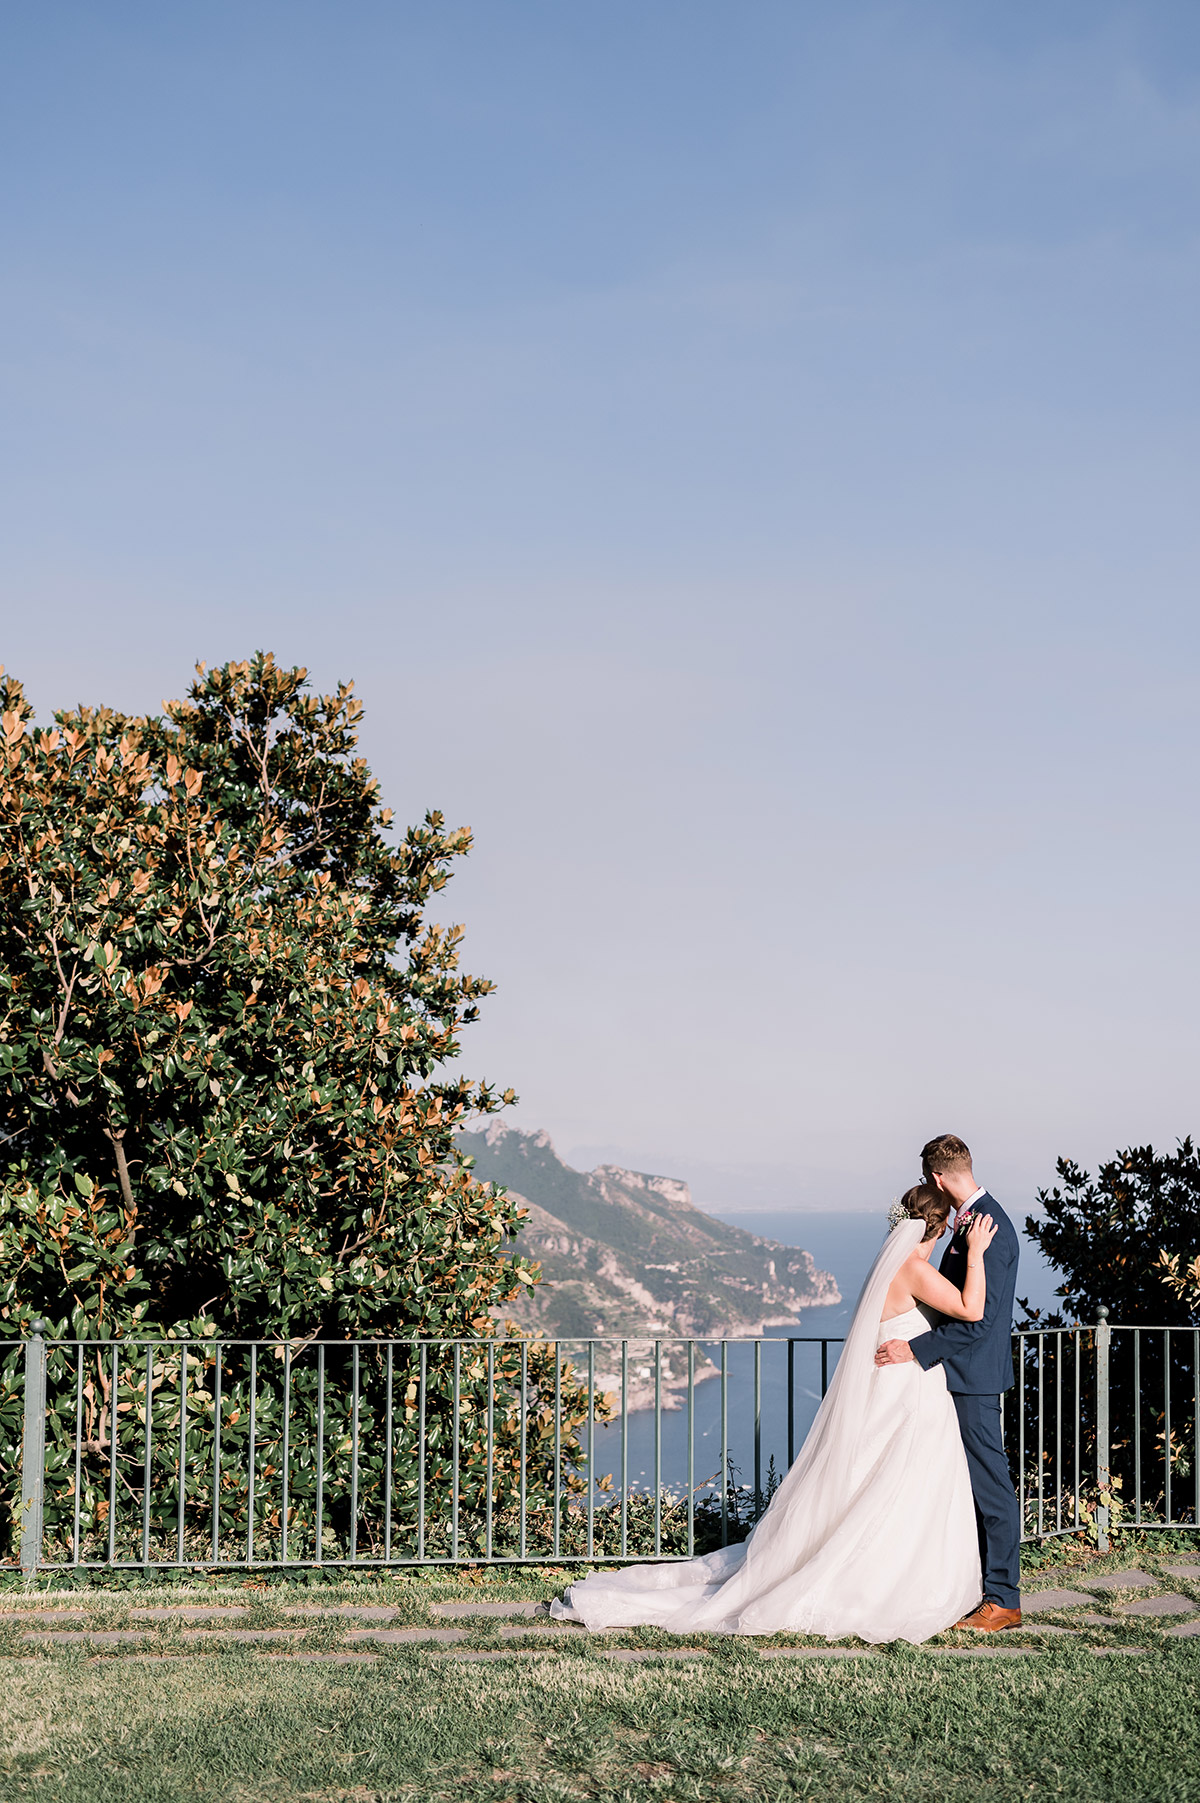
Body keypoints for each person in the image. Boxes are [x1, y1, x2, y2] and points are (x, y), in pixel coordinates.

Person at [550, 1183, 998, 1644]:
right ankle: (890, 1583)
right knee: (900, 1484)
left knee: (874, 1482)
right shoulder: (914, 1270)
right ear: (940, 1228)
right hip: (908, 1394)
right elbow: (972, 1307)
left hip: (892, 1388)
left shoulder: (888, 1266)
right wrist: (978, 1252)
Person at [875, 1134, 1022, 1631]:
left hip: (973, 1380)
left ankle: (1003, 1599)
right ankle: (970, 1585)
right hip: (953, 1376)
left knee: (991, 1487)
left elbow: (979, 1320)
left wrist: (914, 1349)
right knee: (959, 1485)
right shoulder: (972, 1222)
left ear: (936, 1177)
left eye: (925, 1179)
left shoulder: (990, 1228)